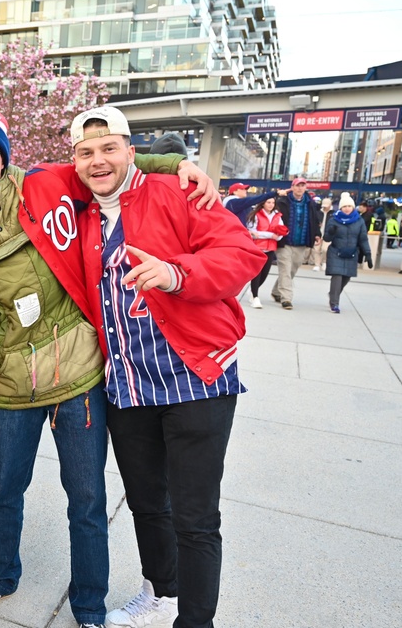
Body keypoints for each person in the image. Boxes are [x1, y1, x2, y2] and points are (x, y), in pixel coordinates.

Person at [0, 95, 219, 628]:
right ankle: (1, 578)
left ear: (2, 159)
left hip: (76, 375)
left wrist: (176, 164)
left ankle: (89, 607)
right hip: (8, 386)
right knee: (2, 493)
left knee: (88, 500)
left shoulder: (43, 185)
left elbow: (106, 167)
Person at [62, 106, 264, 628]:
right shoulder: (80, 214)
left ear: (132, 151)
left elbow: (241, 251)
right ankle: (163, 592)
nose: (98, 159)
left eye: (110, 147)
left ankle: (195, 622)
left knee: (196, 517)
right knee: (148, 504)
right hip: (129, 387)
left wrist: (177, 274)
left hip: (195, 377)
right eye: (86, 151)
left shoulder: (175, 191)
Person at [270, 177, 321, 310]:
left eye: (303, 185)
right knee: (285, 268)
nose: (300, 188)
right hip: (285, 240)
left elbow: (314, 220)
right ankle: (286, 298)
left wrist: (317, 234)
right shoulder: (282, 201)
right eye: (297, 185)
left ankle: (276, 291)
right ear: (292, 187)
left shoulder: (310, 203)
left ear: (306, 188)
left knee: (292, 269)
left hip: (302, 241)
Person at [324, 193, 372, 313]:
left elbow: (363, 239)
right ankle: (334, 303)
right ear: (340, 208)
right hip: (336, 251)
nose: (347, 208)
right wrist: (331, 232)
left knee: (346, 277)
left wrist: (368, 253)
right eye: (344, 206)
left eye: (349, 206)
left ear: (353, 207)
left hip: (351, 253)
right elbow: (326, 238)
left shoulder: (359, 221)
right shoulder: (333, 219)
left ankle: (332, 294)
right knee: (337, 276)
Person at [247, 196, 287, 309]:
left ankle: (253, 291)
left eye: (273, 202)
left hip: (270, 248)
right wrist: (270, 235)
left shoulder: (277, 216)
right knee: (257, 273)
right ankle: (255, 297)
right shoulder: (256, 215)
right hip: (257, 248)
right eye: (268, 202)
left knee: (264, 274)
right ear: (263, 203)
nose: (271, 205)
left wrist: (279, 236)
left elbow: (281, 230)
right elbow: (254, 232)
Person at [311, 197, 333, 271]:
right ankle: (317, 264)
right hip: (318, 233)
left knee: (325, 249)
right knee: (316, 250)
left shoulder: (333, 214)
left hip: (328, 234)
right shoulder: (318, 213)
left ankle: (324, 262)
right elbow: (314, 222)